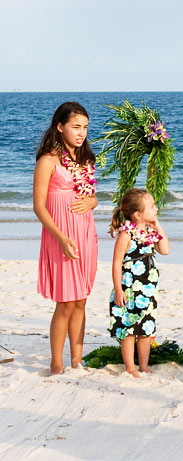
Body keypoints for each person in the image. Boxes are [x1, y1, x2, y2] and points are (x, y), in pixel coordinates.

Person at [33, 102, 99, 375]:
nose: (81, 132)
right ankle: (56, 362)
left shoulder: (86, 161)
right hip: (60, 235)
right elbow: (39, 206)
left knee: (81, 299)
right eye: (75, 127)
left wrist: (92, 201)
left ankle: (76, 360)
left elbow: (92, 197)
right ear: (60, 127)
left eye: (84, 127)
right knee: (66, 301)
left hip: (85, 233)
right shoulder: (48, 161)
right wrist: (61, 238)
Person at [108, 188, 170, 377]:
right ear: (137, 214)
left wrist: (157, 225)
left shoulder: (151, 231)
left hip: (148, 289)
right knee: (128, 330)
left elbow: (165, 249)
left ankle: (143, 366)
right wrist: (118, 290)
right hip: (129, 289)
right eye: (152, 207)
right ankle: (130, 367)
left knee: (146, 328)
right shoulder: (126, 235)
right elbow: (117, 262)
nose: (156, 208)